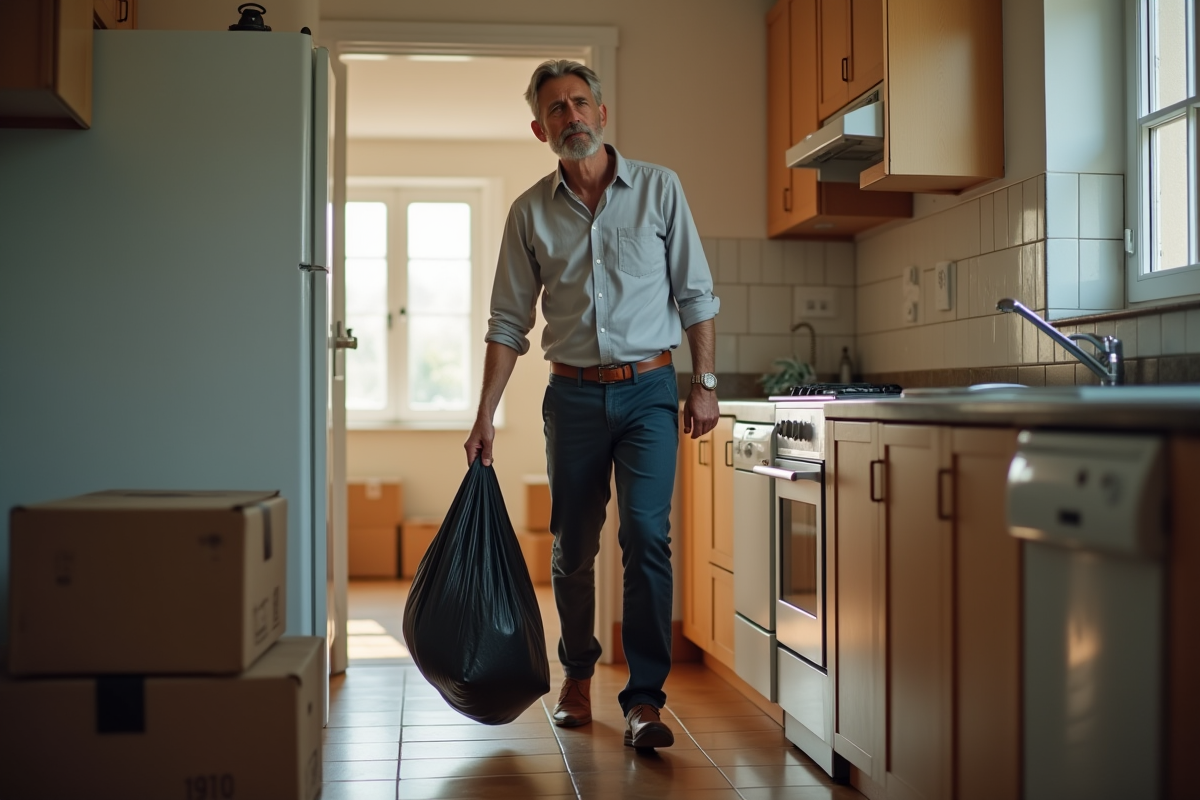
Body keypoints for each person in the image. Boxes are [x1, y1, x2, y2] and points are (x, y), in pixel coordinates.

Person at [463, 59, 720, 749]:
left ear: (602, 113)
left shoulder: (660, 190)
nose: (570, 116)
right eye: (556, 109)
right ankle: (577, 676)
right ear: (539, 127)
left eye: (580, 103)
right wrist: (485, 414)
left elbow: (695, 293)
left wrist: (705, 382)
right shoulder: (528, 212)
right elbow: (507, 324)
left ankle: (644, 701)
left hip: (648, 393)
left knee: (646, 537)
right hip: (571, 397)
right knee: (572, 548)